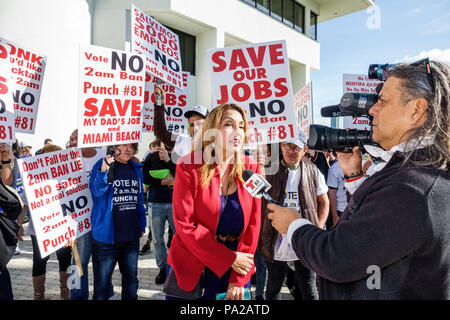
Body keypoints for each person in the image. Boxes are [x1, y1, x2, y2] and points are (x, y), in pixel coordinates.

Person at [266, 60, 450, 299]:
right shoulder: (421, 173)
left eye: (382, 101)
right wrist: (354, 177)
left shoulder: (411, 187)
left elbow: (337, 258)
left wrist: (293, 225)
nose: (372, 110)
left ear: (416, 110)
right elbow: (375, 229)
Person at [167, 103, 261, 300]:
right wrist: (228, 258)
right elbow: (185, 224)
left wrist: (239, 278)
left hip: (237, 267)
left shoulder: (252, 167)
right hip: (193, 266)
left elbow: (253, 225)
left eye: (241, 126)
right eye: (228, 125)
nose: (237, 131)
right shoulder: (188, 166)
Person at [258, 130, 329, 300]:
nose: (291, 150)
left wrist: (318, 226)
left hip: (304, 237)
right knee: (274, 284)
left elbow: (324, 202)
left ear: (304, 150)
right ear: (281, 147)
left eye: (296, 147)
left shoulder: (313, 172)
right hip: (275, 238)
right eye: (287, 145)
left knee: (308, 285)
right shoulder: (268, 169)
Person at [90, 143, 146, 300]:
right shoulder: (103, 164)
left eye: (132, 146)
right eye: (124, 145)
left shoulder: (135, 167)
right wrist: (104, 170)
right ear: (114, 146)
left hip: (131, 237)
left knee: (131, 283)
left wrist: (141, 223)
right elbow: (96, 192)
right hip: (106, 240)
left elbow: (139, 198)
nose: (129, 149)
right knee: (101, 287)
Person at [67, 129, 108, 300]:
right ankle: (76, 297)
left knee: (103, 267)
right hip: (78, 224)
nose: (74, 142)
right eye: (71, 139)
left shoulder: (104, 155)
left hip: (102, 222)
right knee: (76, 266)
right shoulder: (66, 159)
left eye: (77, 138)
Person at [27, 144, 72, 300]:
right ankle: (38, 295)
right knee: (39, 261)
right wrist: (19, 222)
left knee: (65, 260)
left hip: (64, 228)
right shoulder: (33, 175)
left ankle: (66, 293)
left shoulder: (68, 175)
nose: (48, 160)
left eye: (52, 156)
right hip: (39, 229)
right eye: (45, 156)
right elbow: (26, 202)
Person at [142, 141, 176, 284]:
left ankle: (176, 267)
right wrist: (161, 182)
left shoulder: (177, 154)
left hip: (176, 203)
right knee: (157, 240)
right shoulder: (151, 156)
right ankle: (162, 268)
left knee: (180, 238)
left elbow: (180, 173)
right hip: (155, 204)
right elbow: (144, 176)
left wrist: (168, 160)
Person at [153, 84, 209, 159]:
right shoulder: (184, 142)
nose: (195, 128)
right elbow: (160, 132)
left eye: (199, 124)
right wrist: (160, 102)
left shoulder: (218, 144)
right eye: (192, 125)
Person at [139, 140, 162, 255]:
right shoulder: (150, 155)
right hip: (154, 197)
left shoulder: (169, 154)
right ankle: (148, 242)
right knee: (154, 226)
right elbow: (146, 173)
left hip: (165, 198)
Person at [326, 150, 347, 227]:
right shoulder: (334, 168)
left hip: (359, 209)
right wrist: (334, 216)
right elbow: (332, 192)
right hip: (341, 210)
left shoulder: (365, 164)